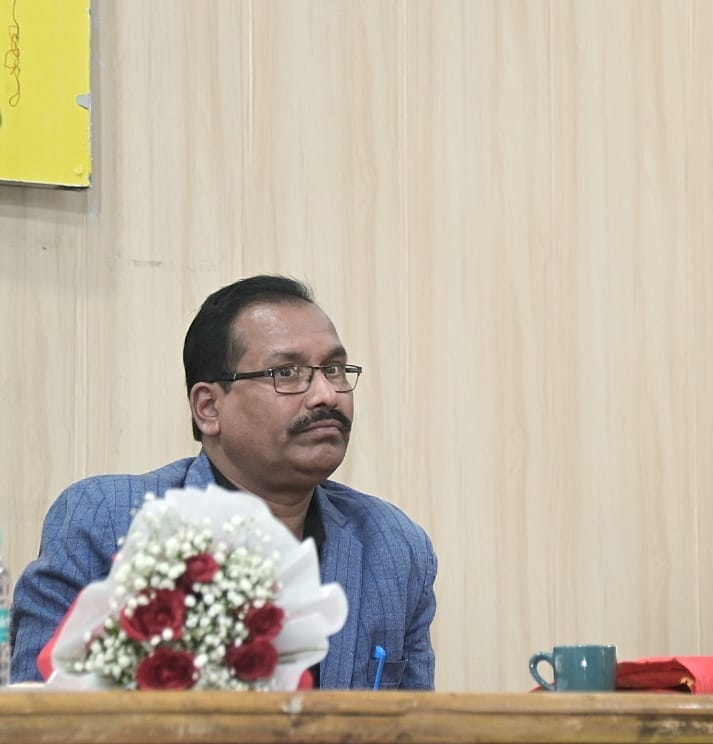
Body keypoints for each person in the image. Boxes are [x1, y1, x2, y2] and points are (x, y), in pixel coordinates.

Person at [10, 275, 438, 689]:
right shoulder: (108, 520)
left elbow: (416, 724)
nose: (326, 394)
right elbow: (35, 714)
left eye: (334, 368)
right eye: (287, 372)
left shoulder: (394, 547)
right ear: (209, 407)